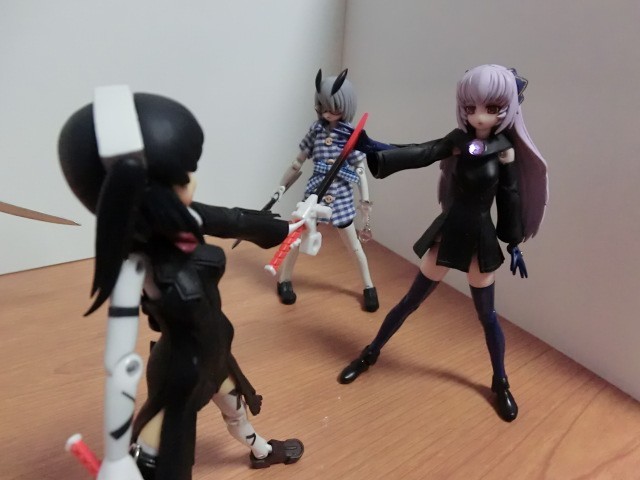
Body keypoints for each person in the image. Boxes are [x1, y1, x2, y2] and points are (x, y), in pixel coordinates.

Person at [58, 87, 303, 480]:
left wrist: (291, 228)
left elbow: (235, 220)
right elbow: (119, 365)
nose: (193, 181)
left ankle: (260, 450)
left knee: (236, 408)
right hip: (180, 375)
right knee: (163, 460)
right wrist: (116, 457)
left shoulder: (186, 220)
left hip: (216, 352)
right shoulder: (136, 267)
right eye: (182, 176)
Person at [338, 65, 548, 422]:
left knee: (487, 317)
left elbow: (509, 199)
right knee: (409, 301)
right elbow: (423, 152)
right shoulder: (458, 141)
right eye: (470, 107)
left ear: (507, 108)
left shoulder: (504, 151)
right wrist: (374, 148)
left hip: (480, 240)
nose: (479, 115)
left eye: (491, 108)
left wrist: (513, 242)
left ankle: (500, 382)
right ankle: (370, 354)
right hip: (449, 231)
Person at [274, 69, 379, 312]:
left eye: (333, 107)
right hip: (315, 194)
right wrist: (281, 186)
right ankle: (284, 279)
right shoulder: (316, 130)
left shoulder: (352, 135)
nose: (327, 112)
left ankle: (369, 286)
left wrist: (365, 200)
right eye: (322, 106)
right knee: (296, 239)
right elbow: (298, 162)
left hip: (341, 197)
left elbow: (360, 169)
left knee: (354, 246)